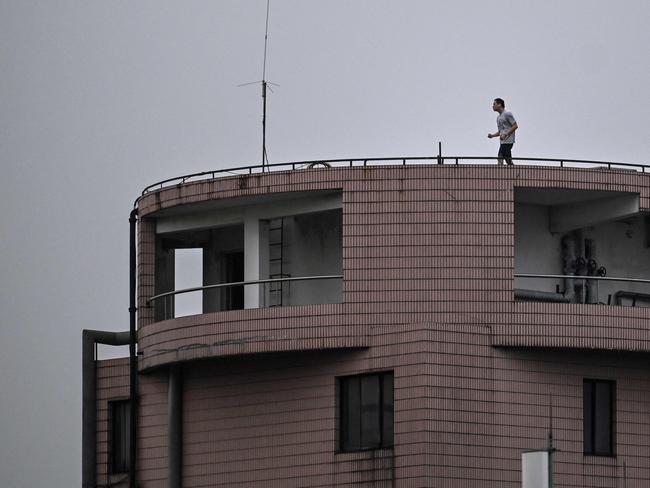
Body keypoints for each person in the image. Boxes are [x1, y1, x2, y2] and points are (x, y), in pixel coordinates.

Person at [488, 98, 518, 165]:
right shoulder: (498, 118)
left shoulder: (507, 114)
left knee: (500, 157)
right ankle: (512, 171)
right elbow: (500, 132)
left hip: (508, 141)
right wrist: (492, 135)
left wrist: (506, 134)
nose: (493, 106)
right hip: (503, 142)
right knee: (507, 160)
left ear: (499, 104)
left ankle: (502, 173)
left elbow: (515, 126)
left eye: (494, 104)